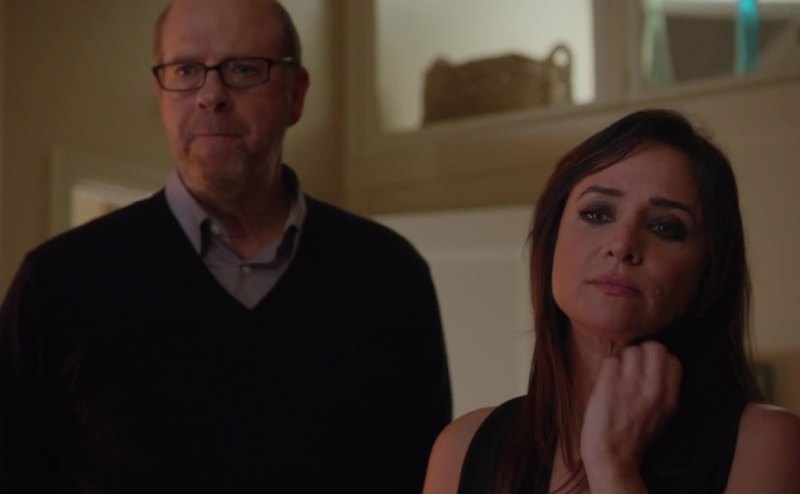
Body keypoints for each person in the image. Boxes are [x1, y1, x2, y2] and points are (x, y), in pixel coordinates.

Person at [0, 0, 451, 491]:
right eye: (185, 70)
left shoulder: (390, 276)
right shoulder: (58, 284)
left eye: (242, 69)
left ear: (296, 94)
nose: (210, 95)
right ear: (160, 93)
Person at [423, 109, 800, 493]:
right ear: (552, 240)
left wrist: (612, 467)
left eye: (664, 227)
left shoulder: (767, 444)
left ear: (709, 271)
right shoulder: (463, 448)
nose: (622, 245)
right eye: (597, 213)